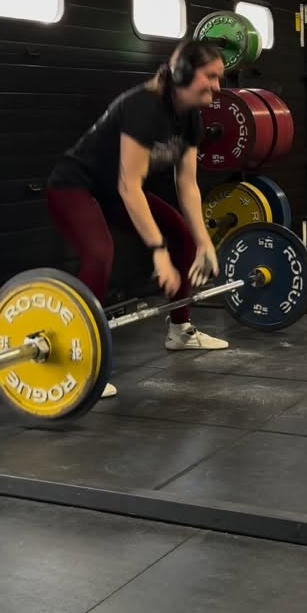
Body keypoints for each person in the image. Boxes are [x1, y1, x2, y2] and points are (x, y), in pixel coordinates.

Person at [46, 38, 230, 398]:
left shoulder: (191, 116)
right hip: (73, 186)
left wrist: (206, 242)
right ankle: (74, 360)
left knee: (182, 233)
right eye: (211, 76)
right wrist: (157, 252)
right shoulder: (143, 108)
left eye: (220, 78)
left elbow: (188, 185)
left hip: (113, 191)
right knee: (100, 255)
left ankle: (180, 330)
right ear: (181, 73)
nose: (217, 87)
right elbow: (130, 186)